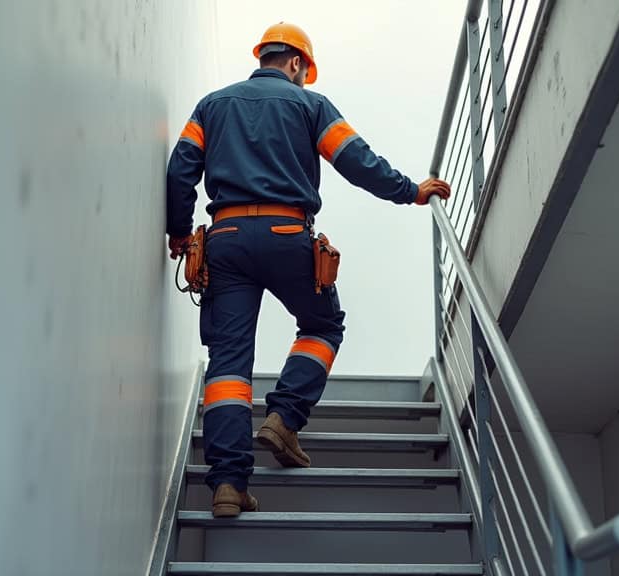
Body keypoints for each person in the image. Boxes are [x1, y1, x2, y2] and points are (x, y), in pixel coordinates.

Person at [165, 22, 451, 517]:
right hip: (286, 235)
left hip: (226, 241)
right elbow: (357, 161)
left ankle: (228, 485)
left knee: (228, 365)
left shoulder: (211, 105)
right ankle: (284, 417)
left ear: (263, 57)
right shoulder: (311, 105)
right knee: (322, 325)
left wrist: (177, 231)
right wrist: (411, 190)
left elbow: (180, 169)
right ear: (296, 63)